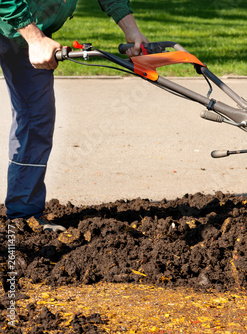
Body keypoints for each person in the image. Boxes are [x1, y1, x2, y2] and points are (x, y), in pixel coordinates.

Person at [0, 0, 149, 231]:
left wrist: (131, 29)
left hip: (30, 30)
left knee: (36, 119)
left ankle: (23, 218)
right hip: (25, 27)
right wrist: (35, 38)